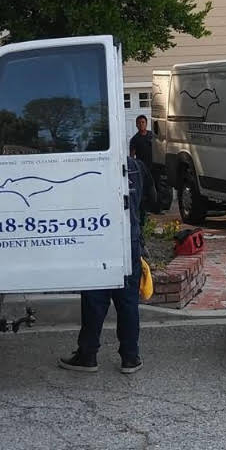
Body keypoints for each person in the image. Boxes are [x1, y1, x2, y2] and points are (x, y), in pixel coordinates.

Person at [59, 156, 156, 374]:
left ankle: (88, 355)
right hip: (128, 239)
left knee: (94, 298)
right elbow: (152, 199)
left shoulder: (90, 165)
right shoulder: (136, 166)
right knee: (128, 301)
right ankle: (130, 357)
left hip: (98, 240)